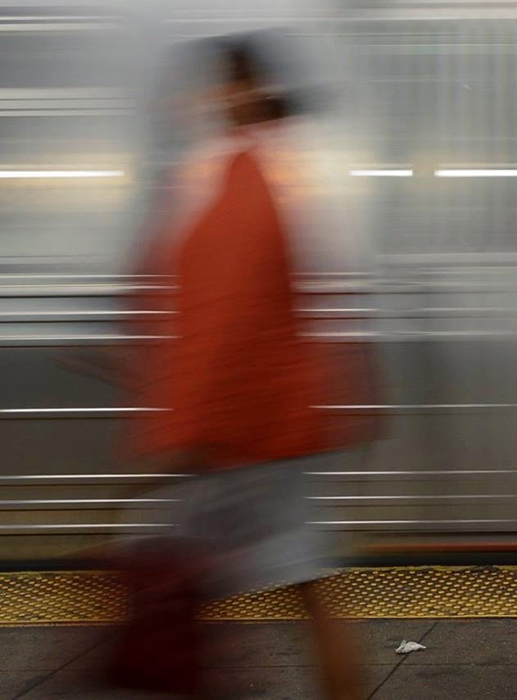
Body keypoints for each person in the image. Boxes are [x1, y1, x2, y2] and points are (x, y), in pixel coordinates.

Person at [122, 34, 371, 700]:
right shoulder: (269, 168)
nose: (211, 96)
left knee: (175, 594)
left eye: (224, 83)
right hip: (265, 426)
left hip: (234, 433)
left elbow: (226, 313)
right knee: (293, 589)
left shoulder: (246, 176)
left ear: (249, 91)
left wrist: (186, 431)